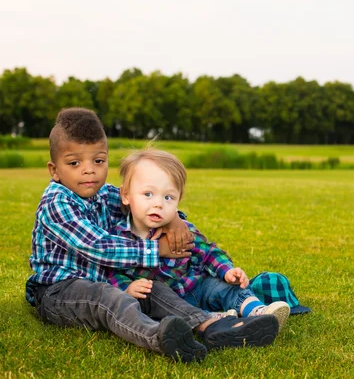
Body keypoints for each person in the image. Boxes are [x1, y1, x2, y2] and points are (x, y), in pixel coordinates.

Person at [25, 107, 279, 364]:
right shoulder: (57, 202)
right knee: (109, 299)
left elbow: (144, 200)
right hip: (60, 291)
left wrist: (176, 220)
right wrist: (158, 250)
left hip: (111, 281)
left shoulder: (104, 193)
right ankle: (160, 337)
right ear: (54, 170)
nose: (89, 171)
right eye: (74, 163)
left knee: (151, 287)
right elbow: (99, 247)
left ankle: (210, 326)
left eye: (98, 161)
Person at [107, 148, 291, 331]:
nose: (158, 203)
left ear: (179, 199)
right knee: (160, 312)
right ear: (125, 195)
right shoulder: (119, 238)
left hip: (198, 285)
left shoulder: (181, 231)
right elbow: (112, 271)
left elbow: (209, 252)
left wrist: (227, 271)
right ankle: (218, 319)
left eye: (168, 197)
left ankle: (259, 311)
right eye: (148, 194)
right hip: (168, 302)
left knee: (225, 288)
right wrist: (127, 288)